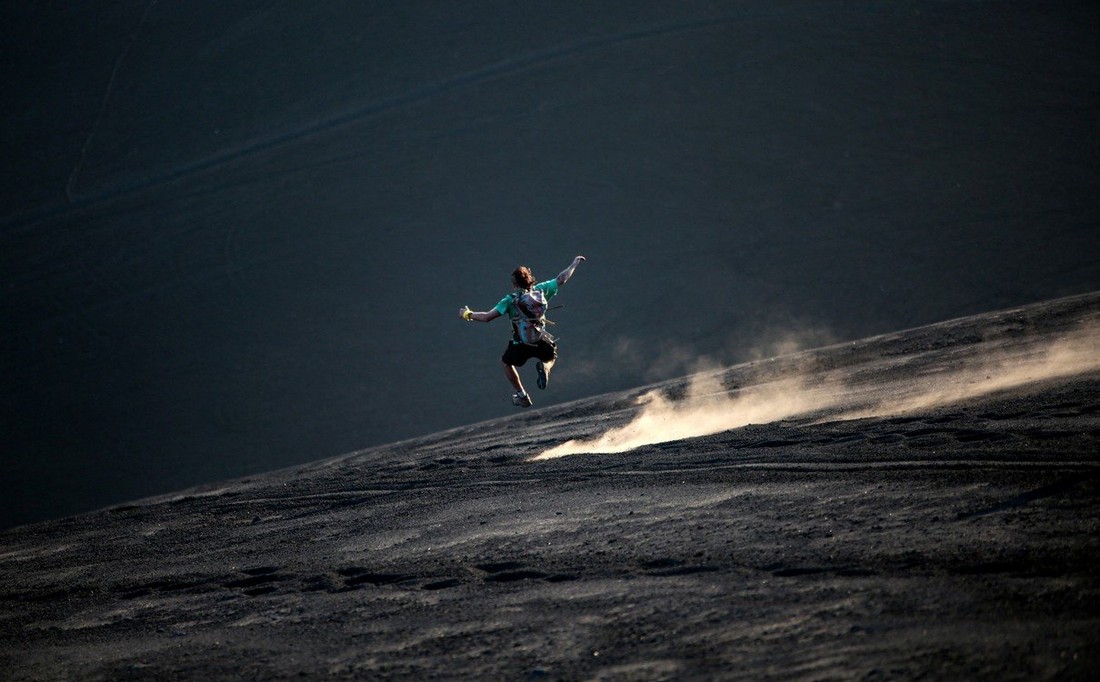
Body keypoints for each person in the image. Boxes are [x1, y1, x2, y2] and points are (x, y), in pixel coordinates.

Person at [459, 256, 586, 407]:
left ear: (514, 284)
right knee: (551, 357)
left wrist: (467, 314)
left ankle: (522, 395)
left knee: (506, 363)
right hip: (540, 341)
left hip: (521, 344)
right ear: (530, 279)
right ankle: (545, 367)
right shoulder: (541, 290)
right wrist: (574, 264)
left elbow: (487, 317)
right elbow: (561, 279)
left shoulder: (509, 300)